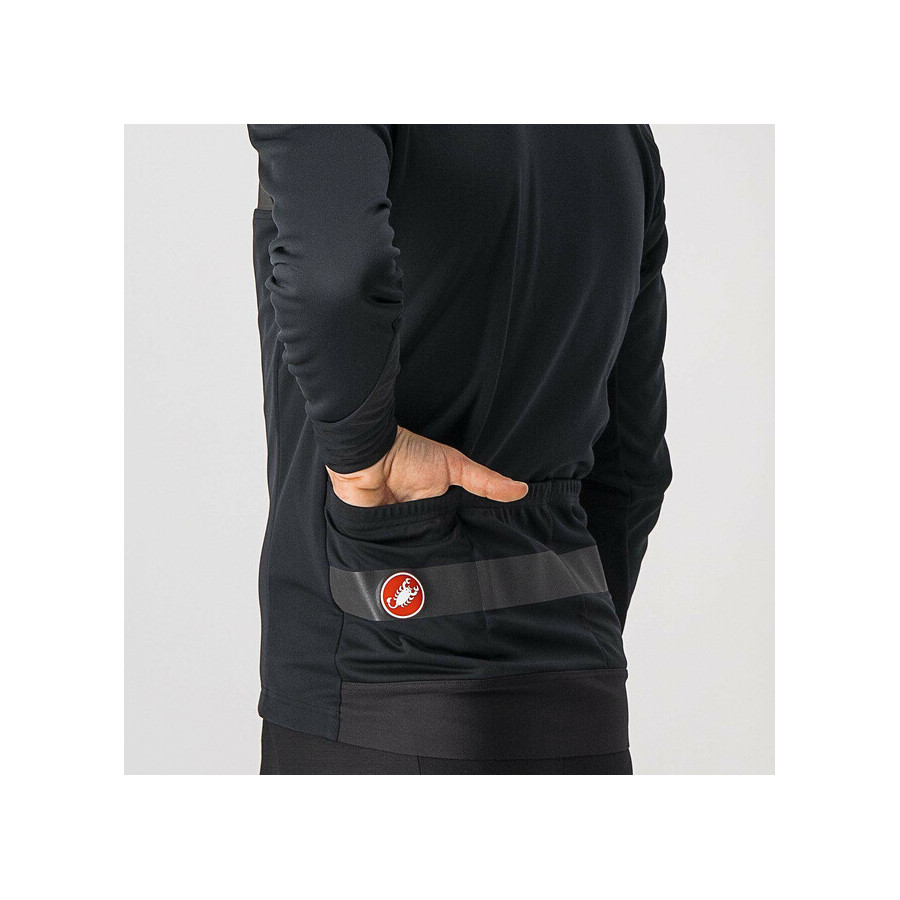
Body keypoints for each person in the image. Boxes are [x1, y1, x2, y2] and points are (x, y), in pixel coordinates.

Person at [248, 125, 672, 775]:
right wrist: (563, 622)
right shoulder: (621, 133)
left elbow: (335, 277)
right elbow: (633, 465)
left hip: (372, 681)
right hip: (580, 689)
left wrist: (363, 453)